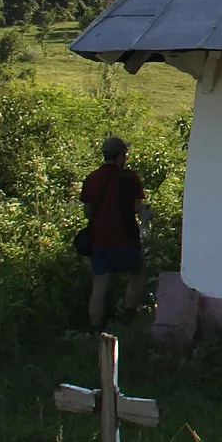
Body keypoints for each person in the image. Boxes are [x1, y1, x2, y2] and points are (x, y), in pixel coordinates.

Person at [80, 136, 150, 329]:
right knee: (138, 272)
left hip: (98, 240)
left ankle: (95, 330)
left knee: (99, 287)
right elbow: (137, 207)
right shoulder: (130, 177)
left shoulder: (93, 177)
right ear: (121, 155)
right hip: (125, 238)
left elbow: (87, 211)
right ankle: (127, 312)